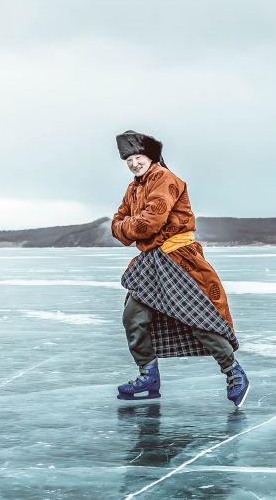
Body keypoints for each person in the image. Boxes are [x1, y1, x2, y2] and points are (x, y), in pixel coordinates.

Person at [111, 130, 250, 408]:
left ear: (150, 156)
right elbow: (118, 221)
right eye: (128, 158)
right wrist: (127, 226)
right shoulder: (134, 187)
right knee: (133, 317)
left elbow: (147, 223)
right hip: (151, 261)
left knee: (196, 317)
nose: (133, 163)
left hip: (178, 258)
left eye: (137, 156)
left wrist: (128, 226)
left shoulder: (166, 179)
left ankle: (233, 371)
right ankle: (148, 376)